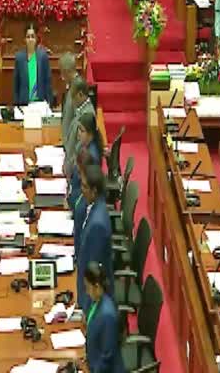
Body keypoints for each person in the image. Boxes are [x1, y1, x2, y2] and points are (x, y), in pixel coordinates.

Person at [77, 165, 113, 313]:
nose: (81, 189)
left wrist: (88, 309)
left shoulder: (97, 225)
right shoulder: (95, 207)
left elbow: (95, 272)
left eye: (85, 187)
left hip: (92, 297)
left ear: (94, 190)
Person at [83, 261, 126, 373]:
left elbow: (107, 357)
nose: (87, 292)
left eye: (87, 287)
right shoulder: (97, 301)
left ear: (96, 287)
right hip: (92, 361)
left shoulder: (107, 316)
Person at [13, 24, 53, 106]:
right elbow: (16, 82)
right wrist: (16, 103)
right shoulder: (19, 57)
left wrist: (49, 101)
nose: (30, 39)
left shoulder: (42, 56)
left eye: (32, 36)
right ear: (24, 39)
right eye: (28, 37)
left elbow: (47, 80)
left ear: (36, 38)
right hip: (24, 102)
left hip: (40, 101)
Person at [64, 76, 95, 173]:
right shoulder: (80, 110)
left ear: (80, 94)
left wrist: (69, 168)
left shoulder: (87, 115)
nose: (72, 102)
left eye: (73, 97)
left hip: (75, 171)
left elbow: (79, 147)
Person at [59, 51, 79, 142]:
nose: (61, 77)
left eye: (62, 72)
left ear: (67, 71)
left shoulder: (78, 90)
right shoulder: (72, 86)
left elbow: (79, 124)